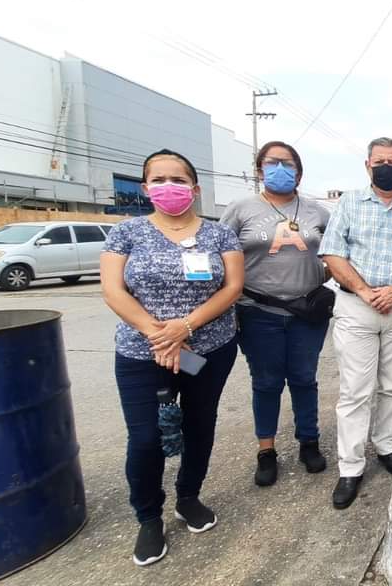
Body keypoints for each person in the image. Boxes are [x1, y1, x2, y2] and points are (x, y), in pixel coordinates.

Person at [100, 149, 242, 566]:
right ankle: (148, 516)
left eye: (176, 179)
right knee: (145, 438)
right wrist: (160, 335)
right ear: (145, 188)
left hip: (207, 350)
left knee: (200, 425)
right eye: (157, 179)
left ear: (194, 189)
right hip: (142, 353)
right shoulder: (126, 233)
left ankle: (188, 497)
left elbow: (232, 287)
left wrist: (185, 328)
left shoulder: (220, 235)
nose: (168, 186)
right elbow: (113, 291)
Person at [319, 137, 392, 509]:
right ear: (368, 166)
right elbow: (332, 254)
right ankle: (350, 467)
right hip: (357, 305)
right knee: (355, 390)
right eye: (380, 160)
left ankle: (388, 447)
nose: (387, 166)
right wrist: (366, 290)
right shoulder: (349, 204)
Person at [220, 141, 332, 487]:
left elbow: (337, 254)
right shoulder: (240, 210)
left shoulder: (318, 213)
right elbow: (221, 257)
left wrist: (324, 275)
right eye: (273, 162)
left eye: (289, 163)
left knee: (303, 378)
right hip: (257, 312)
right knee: (266, 383)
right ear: (259, 169)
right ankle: (266, 450)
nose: (281, 169)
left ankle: (308, 442)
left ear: (299, 171)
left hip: (307, 312)